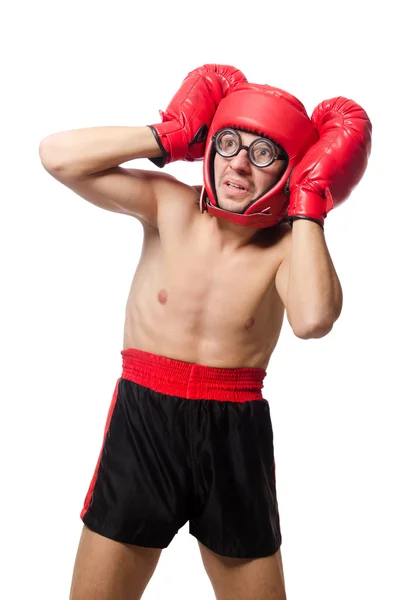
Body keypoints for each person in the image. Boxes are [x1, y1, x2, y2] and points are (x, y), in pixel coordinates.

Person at [39, 64, 372, 600]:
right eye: (229, 142)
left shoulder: (287, 248)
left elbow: (313, 319)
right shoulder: (169, 206)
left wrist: (309, 203)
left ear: (292, 169)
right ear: (208, 144)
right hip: (145, 420)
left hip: (233, 431)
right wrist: (167, 137)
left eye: (264, 153)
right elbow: (57, 156)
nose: (240, 162)